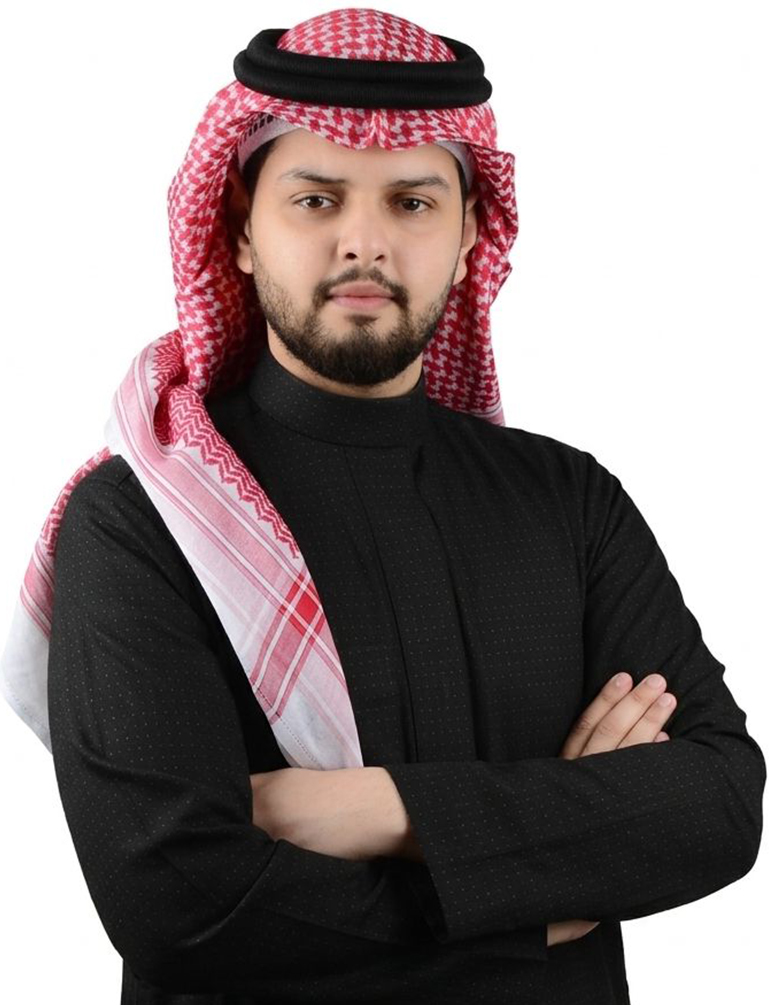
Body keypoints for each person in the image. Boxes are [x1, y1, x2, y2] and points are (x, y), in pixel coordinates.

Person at [1, 8, 764, 1004]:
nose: (363, 242)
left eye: (411, 202)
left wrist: (377, 809)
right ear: (240, 229)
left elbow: (718, 802)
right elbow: (178, 904)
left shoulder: (568, 500)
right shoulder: (141, 519)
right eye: (316, 199)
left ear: (468, 235)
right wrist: (545, 881)